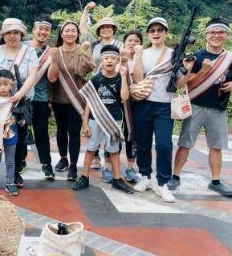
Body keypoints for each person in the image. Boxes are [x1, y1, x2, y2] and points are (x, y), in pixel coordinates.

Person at [131, 17, 193, 202]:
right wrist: (139, 56)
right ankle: (145, 176)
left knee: (164, 144)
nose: (156, 33)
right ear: (148, 34)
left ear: (166, 32)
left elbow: (180, 83)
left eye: (160, 30)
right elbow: (138, 78)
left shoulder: (175, 54)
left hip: (164, 106)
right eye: (152, 30)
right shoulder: (143, 52)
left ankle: (163, 183)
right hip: (143, 103)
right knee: (142, 143)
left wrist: (188, 69)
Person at [171, 17, 232, 197]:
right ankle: (175, 176)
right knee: (185, 143)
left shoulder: (229, 58)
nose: (216, 35)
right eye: (212, 32)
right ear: (206, 35)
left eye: (220, 32)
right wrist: (204, 72)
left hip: (217, 108)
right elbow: (186, 84)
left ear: (226, 35)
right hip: (195, 105)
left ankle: (216, 181)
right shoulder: (196, 57)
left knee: (216, 146)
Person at [0, 18, 38, 188]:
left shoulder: (29, 52)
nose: (12, 36)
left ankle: (14, 174)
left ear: (21, 34)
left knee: (18, 138)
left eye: (16, 32)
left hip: (21, 102)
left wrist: (19, 94)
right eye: (8, 32)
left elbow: (32, 75)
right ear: (3, 35)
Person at [74, 45, 133, 193]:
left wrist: (125, 77)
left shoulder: (120, 77)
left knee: (114, 150)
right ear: (101, 61)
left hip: (114, 120)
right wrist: (85, 122)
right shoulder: (96, 79)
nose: (109, 61)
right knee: (91, 148)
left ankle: (117, 179)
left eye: (113, 58)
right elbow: (89, 101)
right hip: (96, 119)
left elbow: (125, 97)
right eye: (106, 58)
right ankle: (84, 177)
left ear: (118, 60)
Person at [48, 21, 94, 181]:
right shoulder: (54, 51)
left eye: (73, 31)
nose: (69, 33)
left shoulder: (83, 49)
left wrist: (84, 53)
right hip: (58, 97)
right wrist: (53, 59)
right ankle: (63, 158)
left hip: (77, 98)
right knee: (61, 130)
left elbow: (85, 71)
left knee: (74, 132)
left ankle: (73, 165)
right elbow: (51, 78)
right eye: (66, 30)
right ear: (61, 33)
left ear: (77, 34)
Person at [80, 2, 123, 170]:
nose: (106, 29)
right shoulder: (95, 44)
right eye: (102, 27)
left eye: (109, 27)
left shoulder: (120, 45)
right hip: (97, 85)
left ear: (113, 29)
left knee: (112, 124)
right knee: (94, 122)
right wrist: (86, 10)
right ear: (98, 31)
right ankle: (96, 155)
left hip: (115, 86)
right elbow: (82, 29)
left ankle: (110, 162)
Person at [28, 15, 54, 180]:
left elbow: (52, 78)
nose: (43, 32)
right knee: (19, 131)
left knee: (41, 133)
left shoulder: (50, 52)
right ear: (34, 30)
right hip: (22, 95)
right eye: (40, 28)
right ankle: (19, 161)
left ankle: (46, 164)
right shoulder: (22, 47)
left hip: (41, 97)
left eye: (47, 29)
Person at [0, 70, 20, 195]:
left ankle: (10, 182)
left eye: (5, 84)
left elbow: (23, 115)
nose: (2, 87)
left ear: (11, 85)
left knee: (10, 160)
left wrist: (22, 120)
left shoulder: (16, 99)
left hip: (11, 135)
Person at [119, 30, 144, 183]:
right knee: (114, 133)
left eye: (136, 40)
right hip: (117, 102)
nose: (133, 43)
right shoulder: (117, 56)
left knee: (131, 134)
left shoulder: (143, 58)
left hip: (135, 102)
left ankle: (130, 168)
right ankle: (109, 167)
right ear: (124, 42)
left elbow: (140, 78)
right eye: (130, 40)